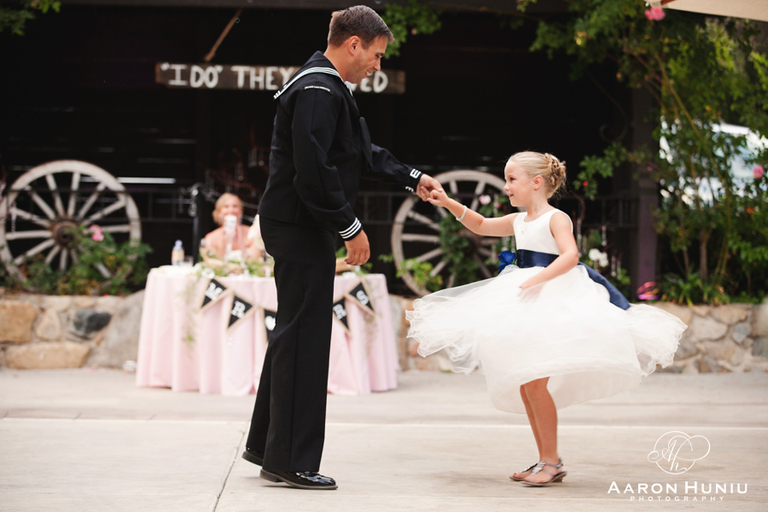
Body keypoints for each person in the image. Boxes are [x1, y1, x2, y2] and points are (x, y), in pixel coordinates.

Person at [242, 5, 443, 490]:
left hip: (299, 224)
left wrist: (412, 178)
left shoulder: (326, 87)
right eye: (375, 55)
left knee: (294, 332)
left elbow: (358, 152)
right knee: (305, 338)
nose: (377, 66)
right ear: (353, 44)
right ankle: (290, 461)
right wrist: (350, 227)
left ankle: (267, 445)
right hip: (299, 224)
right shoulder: (317, 88)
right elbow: (314, 171)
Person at [407, 151, 686, 486]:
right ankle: (544, 460)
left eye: (512, 179)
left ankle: (552, 461)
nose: (506, 186)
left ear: (536, 183)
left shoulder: (556, 218)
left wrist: (536, 280)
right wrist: (449, 203)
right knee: (527, 383)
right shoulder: (519, 220)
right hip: (525, 295)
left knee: (536, 382)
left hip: (553, 297)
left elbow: (570, 256)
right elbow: (480, 225)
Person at [202, 193, 262, 262]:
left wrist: (240, 242)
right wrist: (224, 247)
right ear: (219, 213)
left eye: (235, 206)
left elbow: (256, 263)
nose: (231, 210)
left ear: (241, 212)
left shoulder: (252, 233)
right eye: (226, 206)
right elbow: (208, 263)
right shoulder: (211, 237)